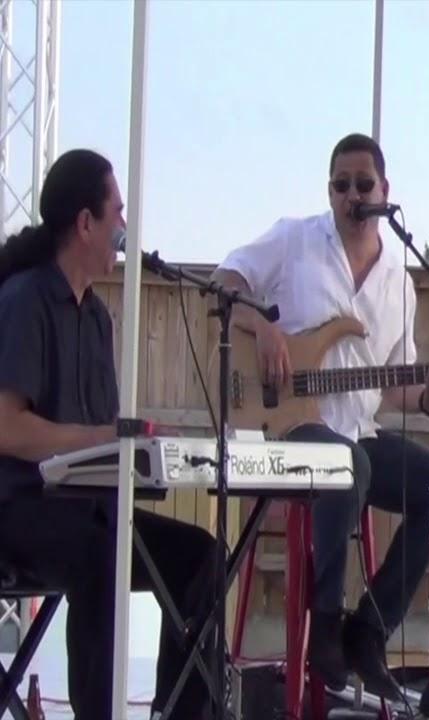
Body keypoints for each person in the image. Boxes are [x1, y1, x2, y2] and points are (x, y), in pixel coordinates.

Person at [211, 133, 429, 698]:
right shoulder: (295, 240)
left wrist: (428, 394)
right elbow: (224, 280)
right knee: (347, 464)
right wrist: (263, 326)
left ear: (385, 192)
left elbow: (395, 386)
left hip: (360, 429)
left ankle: (370, 628)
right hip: (290, 427)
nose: (352, 195)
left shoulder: (399, 282)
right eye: (341, 185)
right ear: (330, 191)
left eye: (363, 185)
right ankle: (325, 620)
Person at [0, 149, 219, 719]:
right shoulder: (24, 300)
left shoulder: (97, 317)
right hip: (19, 509)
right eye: (117, 212)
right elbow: (7, 427)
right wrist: (98, 436)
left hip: (89, 509)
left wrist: (141, 443)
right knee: (101, 557)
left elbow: (104, 437)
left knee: (201, 556)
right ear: (85, 222)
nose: (124, 226)